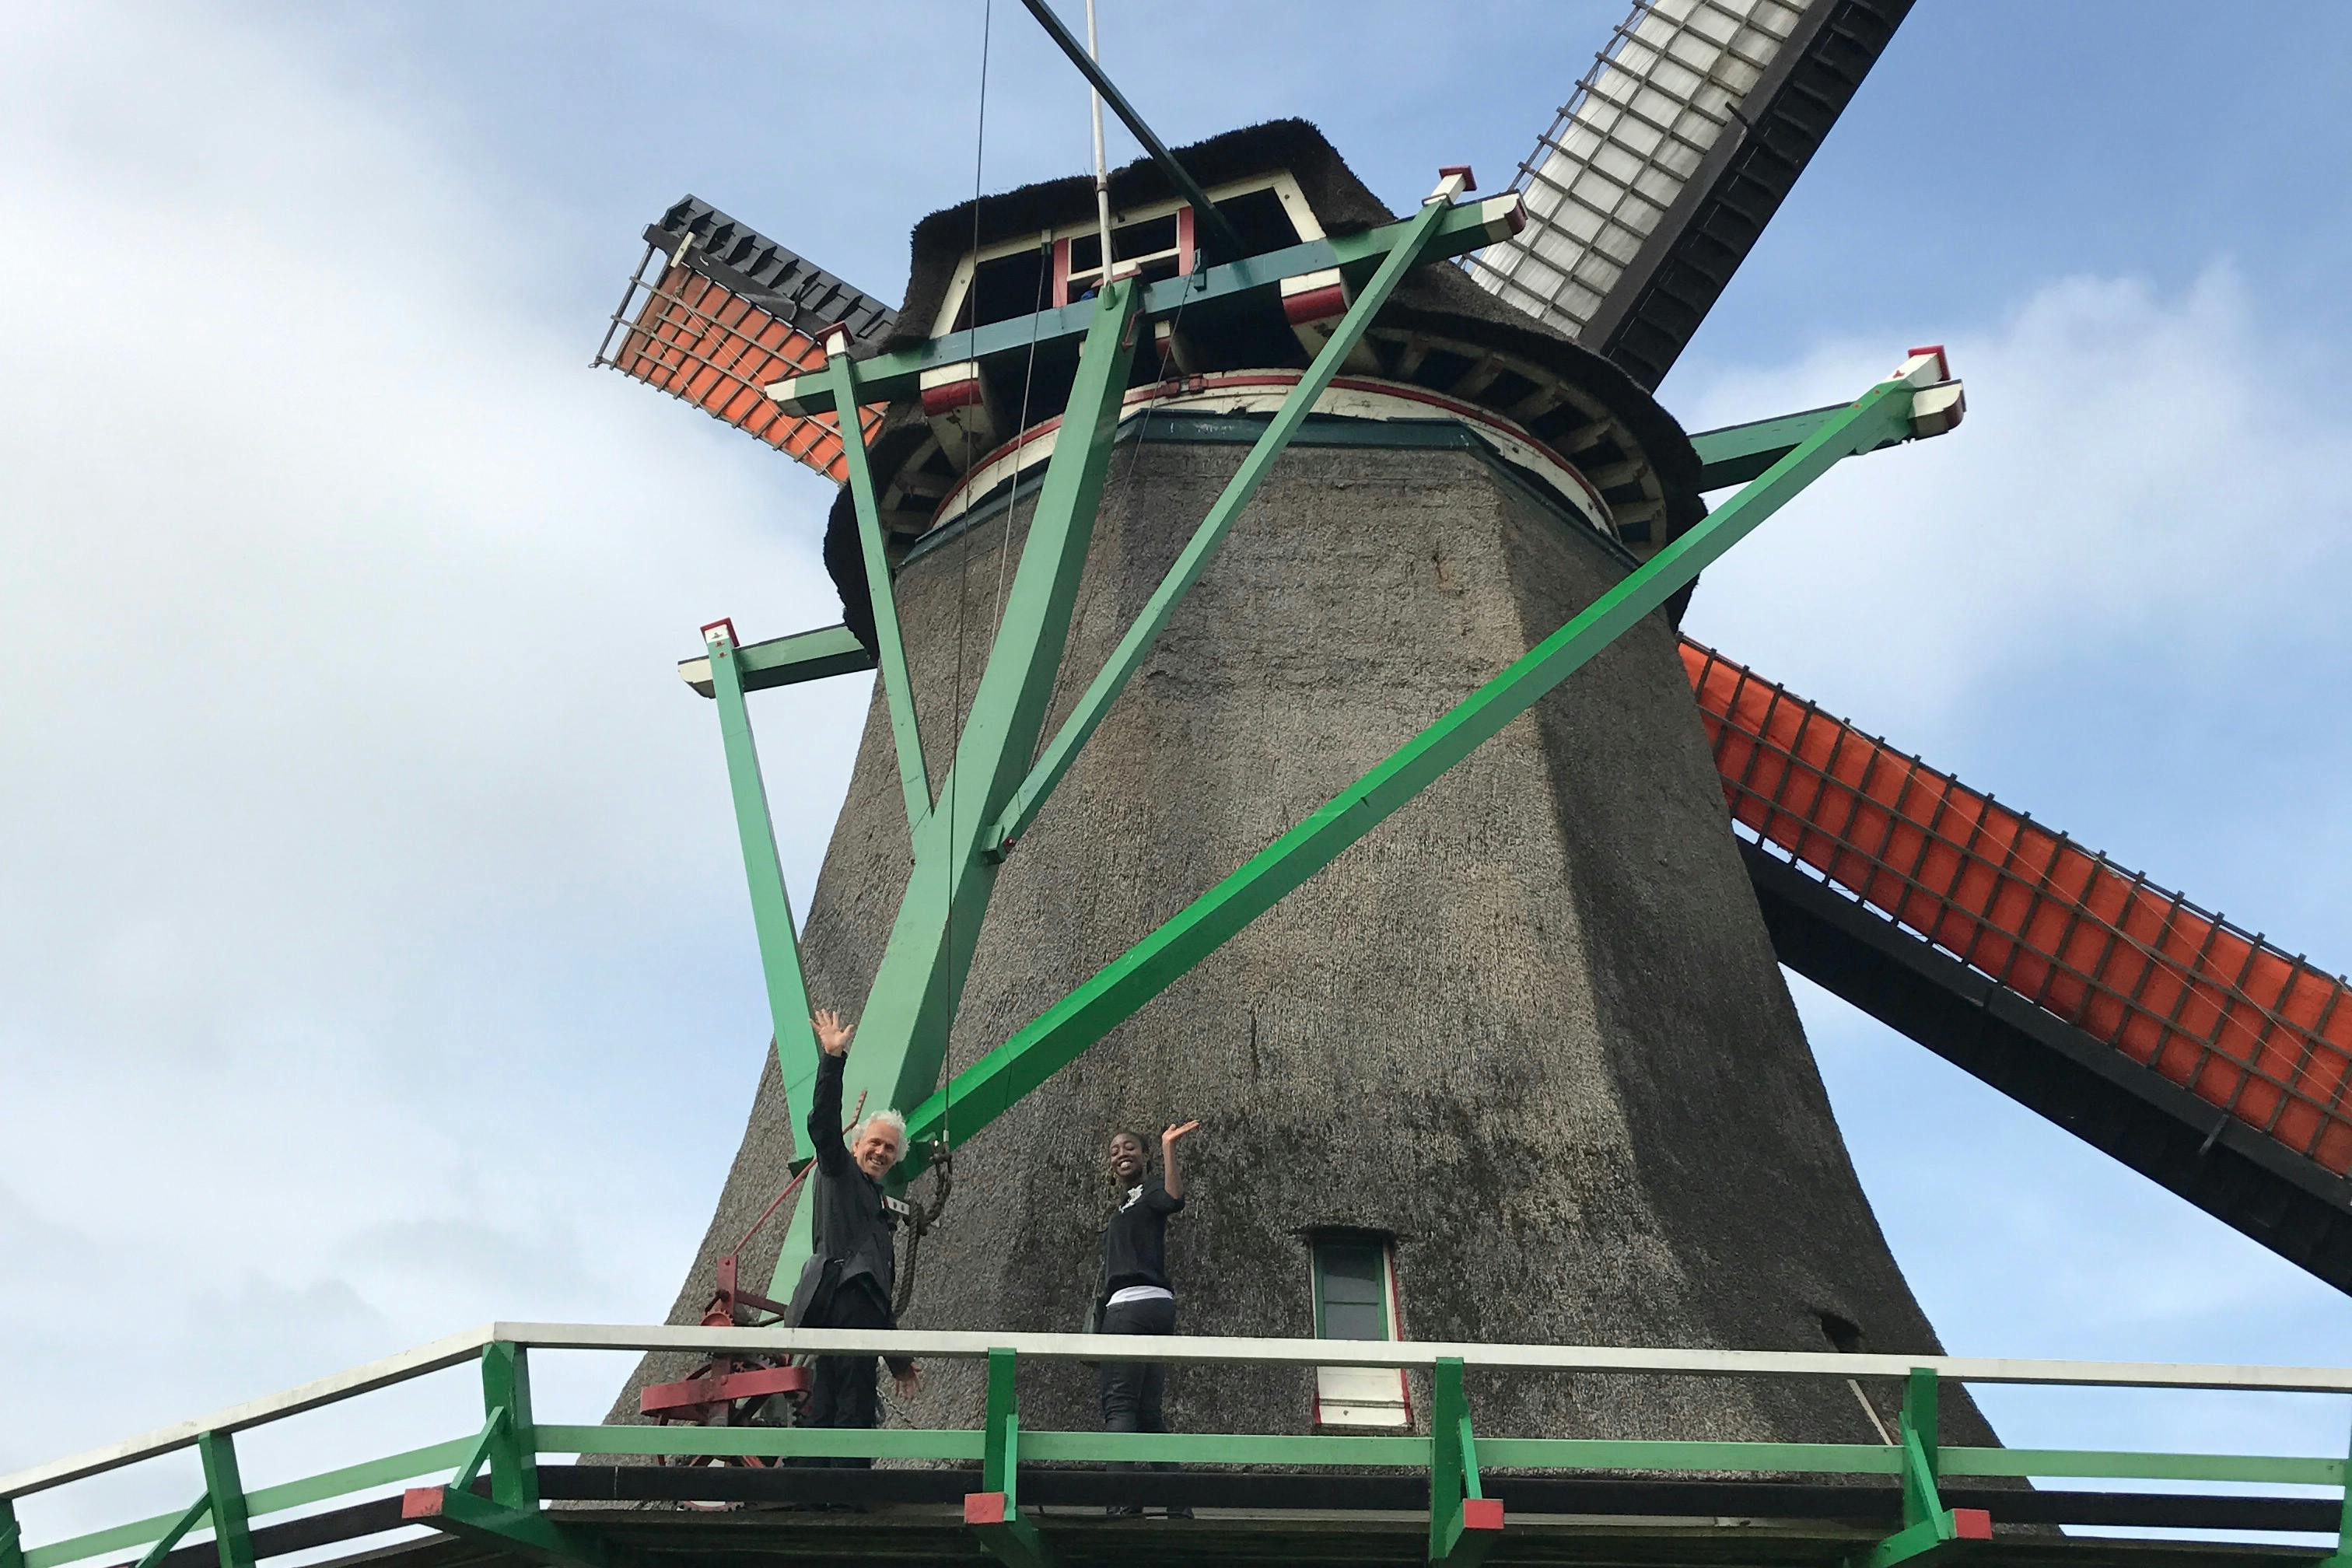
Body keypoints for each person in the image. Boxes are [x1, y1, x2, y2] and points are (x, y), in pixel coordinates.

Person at [785, 1008, 921, 1467]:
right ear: (857, 1145)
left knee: (842, 1393)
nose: (881, 1152)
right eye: (875, 1144)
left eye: (889, 1148)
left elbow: (877, 1300)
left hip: (854, 1308)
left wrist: (899, 1361)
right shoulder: (839, 1172)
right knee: (845, 1399)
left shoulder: (878, 1211)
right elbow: (823, 1125)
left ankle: (822, 1486)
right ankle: (837, 1490)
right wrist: (832, 1059)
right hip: (836, 1300)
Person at [1094, 1119, 1199, 1517]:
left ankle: (1121, 1501)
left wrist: (1168, 1146)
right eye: (1115, 1150)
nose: (1122, 1153)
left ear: (1144, 1155)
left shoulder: (1150, 1189)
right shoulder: (1124, 1203)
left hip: (1132, 1306)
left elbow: (1174, 1198)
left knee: (1119, 1406)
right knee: (1148, 1411)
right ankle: (1177, 1502)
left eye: (1130, 1148)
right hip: (1155, 1309)